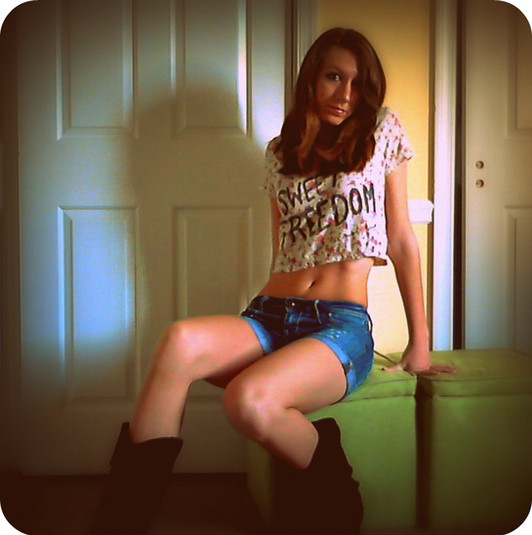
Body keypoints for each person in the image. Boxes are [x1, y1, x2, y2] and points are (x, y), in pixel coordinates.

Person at [89, 27, 455, 535]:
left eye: (357, 83)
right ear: (311, 79)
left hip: (338, 326)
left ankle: (338, 503)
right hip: (270, 314)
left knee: (248, 400)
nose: (345, 94)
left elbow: (401, 240)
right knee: (178, 341)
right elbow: (282, 249)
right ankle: (119, 523)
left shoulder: (382, 132)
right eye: (333, 77)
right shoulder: (281, 151)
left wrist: (421, 341)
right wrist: (256, 332)